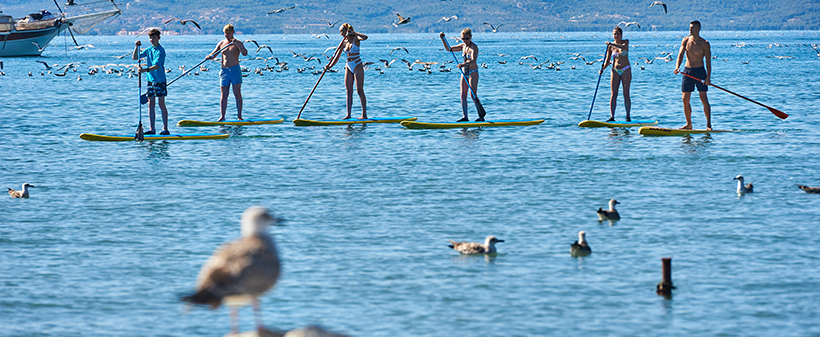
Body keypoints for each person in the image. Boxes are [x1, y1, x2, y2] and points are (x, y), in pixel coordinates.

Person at [673, 20, 712, 130]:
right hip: (687, 71)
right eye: (690, 27)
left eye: (692, 28)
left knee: (703, 98)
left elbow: (708, 62)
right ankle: (689, 124)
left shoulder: (704, 43)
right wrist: (677, 67)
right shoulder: (685, 41)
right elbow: (680, 54)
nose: (690, 29)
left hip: (700, 72)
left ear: (698, 29)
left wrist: (708, 77)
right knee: (685, 99)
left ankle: (708, 125)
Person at [325, 23, 368, 119]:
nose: (341, 34)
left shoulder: (356, 38)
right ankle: (348, 115)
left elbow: (365, 37)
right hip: (348, 65)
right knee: (349, 91)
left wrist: (354, 32)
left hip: (357, 64)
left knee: (359, 90)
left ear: (347, 31)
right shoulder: (343, 42)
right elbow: (337, 56)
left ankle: (364, 115)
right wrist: (330, 66)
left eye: (342, 32)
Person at [206, 24, 248, 121]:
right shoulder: (221, 43)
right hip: (224, 71)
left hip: (235, 70)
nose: (226, 35)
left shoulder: (238, 43)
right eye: (225, 34)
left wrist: (237, 43)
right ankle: (222, 116)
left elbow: (245, 53)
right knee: (224, 95)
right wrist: (209, 56)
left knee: (237, 93)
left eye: (228, 33)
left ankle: (239, 116)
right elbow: (214, 54)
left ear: (232, 32)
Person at [440, 28, 481, 122]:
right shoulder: (463, 46)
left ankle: (480, 116)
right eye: (463, 39)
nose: (465, 40)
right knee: (463, 95)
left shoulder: (474, 47)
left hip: (473, 72)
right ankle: (465, 117)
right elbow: (449, 49)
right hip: (464, 72)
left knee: (473, 94)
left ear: (470, 37)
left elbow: (473, 60)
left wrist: (463, 64)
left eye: (466, 38)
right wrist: (442, 38)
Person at [132, 28, 169, 135]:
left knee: (161, 104)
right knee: (150, 105)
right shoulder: (149, 50)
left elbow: (156, 66)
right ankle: (152, 129)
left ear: (158, 38)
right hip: (150, 81)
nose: (152, 40)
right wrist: (136, 47)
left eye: (153, 38)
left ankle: (165, 129)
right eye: (150, 38)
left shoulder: (161, 51)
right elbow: (135, 57)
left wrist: (144, 70)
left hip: (160, 80)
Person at [601, 27, 631, 122]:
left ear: (621, 35)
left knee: (626, 94)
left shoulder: (625, 42)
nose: (616, 36)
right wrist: (602, 69)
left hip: (626, 70)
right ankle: (612, 116)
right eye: (614, 34)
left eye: (618, 34)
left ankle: (628, 116)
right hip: (615, 70)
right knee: (613, 94)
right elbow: (607, 60)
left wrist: (611, 43)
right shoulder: (611, 46)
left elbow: (623, 47)